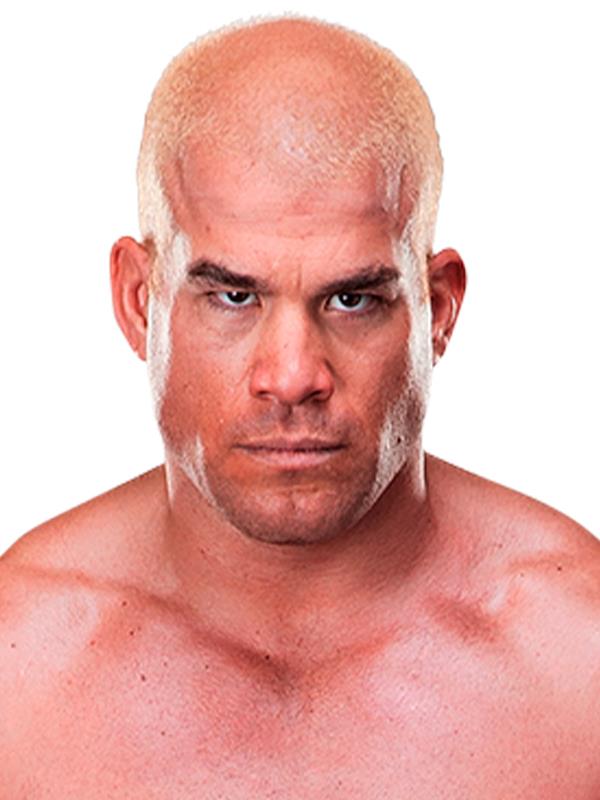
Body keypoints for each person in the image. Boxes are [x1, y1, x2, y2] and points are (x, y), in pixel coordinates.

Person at [1, 15, 598, 799]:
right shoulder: (20, 671)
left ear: (438, 309)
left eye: (352, 299)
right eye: (233, 296)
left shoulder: (579, 661)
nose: (291, 377)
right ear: (140, 302)